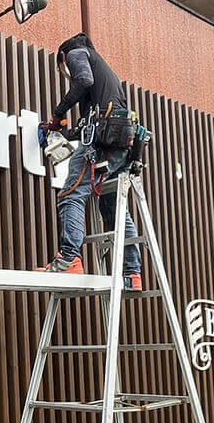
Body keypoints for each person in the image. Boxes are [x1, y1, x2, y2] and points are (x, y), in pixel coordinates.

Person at [34, 33, 142, 290]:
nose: (66, 72)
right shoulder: (107, 79)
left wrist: (58, 111)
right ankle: (133, 273)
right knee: (115, 209)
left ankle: (69, 258)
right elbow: (85, 127)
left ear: (63, 57)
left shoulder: (75, 53)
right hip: (120, 144)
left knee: (71, 194)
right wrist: (57, 130)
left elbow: (83, 79)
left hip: (101, 141)